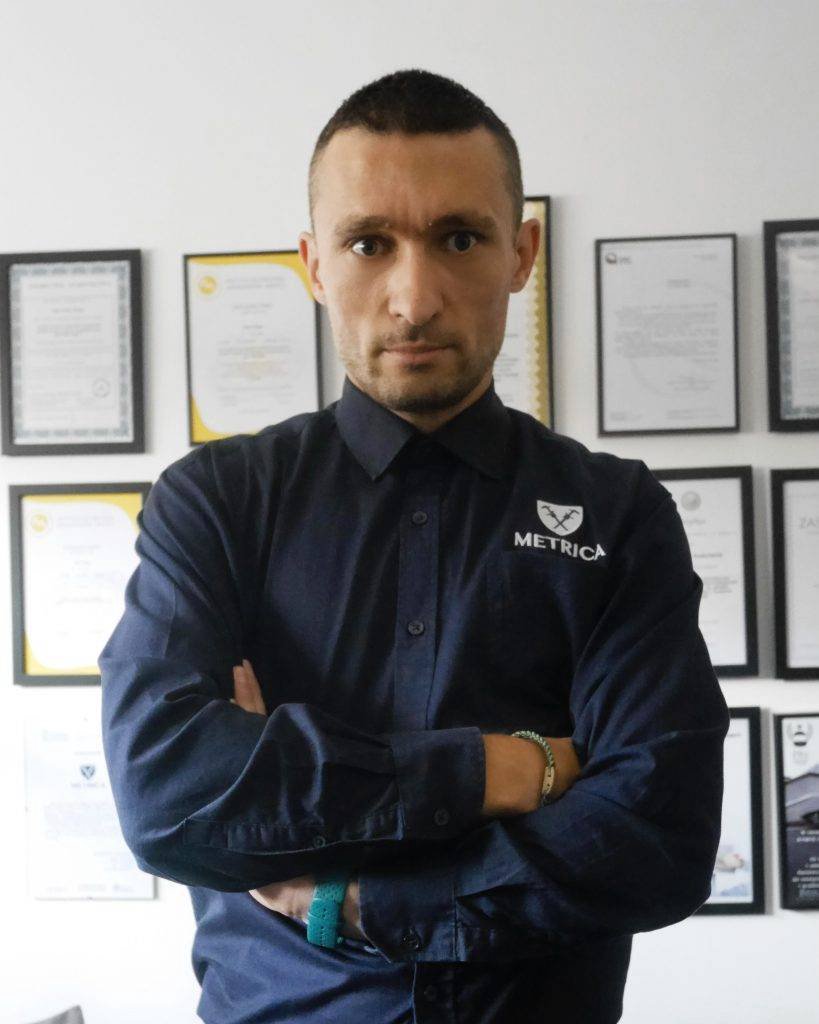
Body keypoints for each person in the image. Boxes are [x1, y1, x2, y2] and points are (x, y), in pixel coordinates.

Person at [99, 68, 730, 1024]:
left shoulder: (616, 512)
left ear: (520, 254)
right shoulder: (217, 502)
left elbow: (658, 836)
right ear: (315, 264)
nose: (413, 298)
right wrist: (500, 770)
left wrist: (353, 896)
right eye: (368, 244)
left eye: (459, 238)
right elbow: (168, 795)